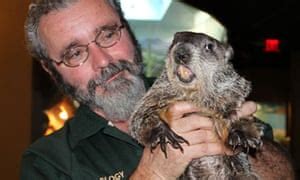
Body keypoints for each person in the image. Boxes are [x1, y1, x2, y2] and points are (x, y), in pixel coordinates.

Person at [20, 0, 259, 179]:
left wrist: (234, 141)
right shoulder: (46, 163)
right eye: (75, 53)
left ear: (128, 30)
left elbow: (285, 172)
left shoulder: (208, 89)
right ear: (51, 70)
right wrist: (153, 174)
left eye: (108, 34)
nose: (103, 60)